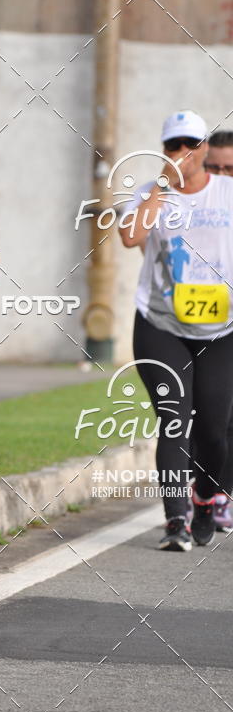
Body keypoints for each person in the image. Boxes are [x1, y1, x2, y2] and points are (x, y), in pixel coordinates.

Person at [118, 110, 233, 551]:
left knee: (214, 428)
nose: (183, 153)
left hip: (221, 328)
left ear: (204, 148)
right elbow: (130, 236)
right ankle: (175, 521)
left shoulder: (225, 191)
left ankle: (205, 500)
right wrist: (162, 188)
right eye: (173, 146)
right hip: (160, 323)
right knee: (173, 420)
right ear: (163, 150)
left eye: (191, 144)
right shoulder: (151, 193)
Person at [202, 130, 233, 530]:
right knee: (209, 413)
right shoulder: (192, 209)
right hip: (199, 323)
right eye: (215, 168)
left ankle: (222, 493)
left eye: (231, 168)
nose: (223, 176)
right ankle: (205, 493)